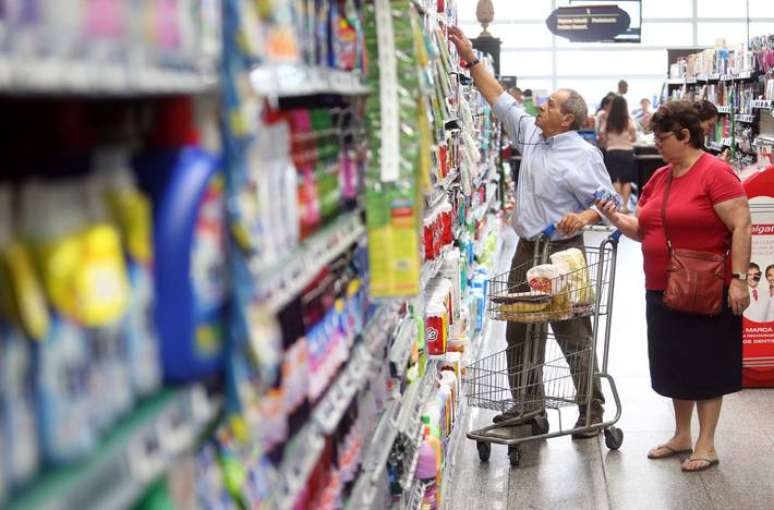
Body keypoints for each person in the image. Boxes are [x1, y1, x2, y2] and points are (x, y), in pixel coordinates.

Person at [448, 26, 617, 439]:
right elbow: (497, 97)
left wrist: (584, 218)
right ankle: (529, 408)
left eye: (551, 105)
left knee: (571, 332)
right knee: (519, 329)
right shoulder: (532, 135)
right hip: (527, 249)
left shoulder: (582, 154)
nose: (541, 107)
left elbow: (609, 202)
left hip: (563, 254)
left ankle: (591, 409)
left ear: (568, 119)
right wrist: (470, 56)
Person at [595, 100, 751, 472]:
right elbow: (643, 229)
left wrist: (739, 280)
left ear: (685, 135)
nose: (657, 144)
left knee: (706, 362)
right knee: (675, 362)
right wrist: (613, 215)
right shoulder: (661, 178)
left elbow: (741, 225)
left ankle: (707, 443)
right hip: (662, 286)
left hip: (706, 285)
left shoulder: (716, 173)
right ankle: (682, 435)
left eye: (662, 137)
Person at [599, 95, 637, 213]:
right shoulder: (629, 120)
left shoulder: (607, 120)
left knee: (615, 179)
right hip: (627, 152)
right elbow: (634, 136)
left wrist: (608, 144)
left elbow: (602, 136)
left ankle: (618, 206)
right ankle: (625, 206)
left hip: (612, 152)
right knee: (626, 180)